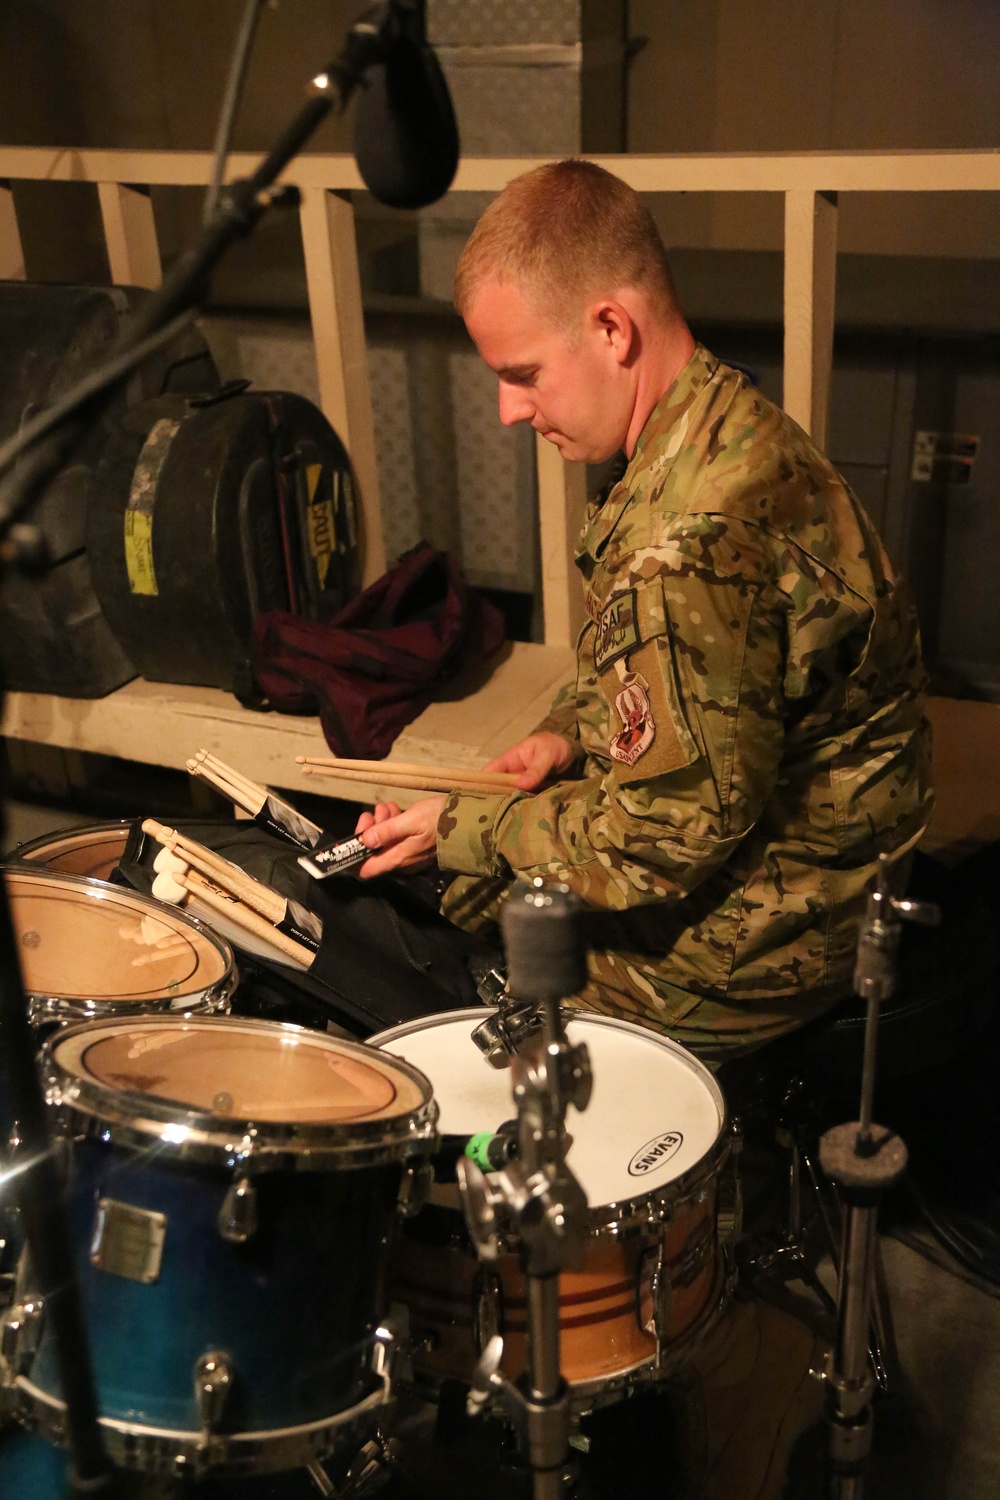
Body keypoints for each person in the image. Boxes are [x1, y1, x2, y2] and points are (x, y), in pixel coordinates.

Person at [353, 158, 934, 1067]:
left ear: (613, 328)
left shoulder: (689, 539)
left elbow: (661, 843)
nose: (509, 410)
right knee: (471, 881)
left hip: (798, 919)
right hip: (829, 853)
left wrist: (470, 830)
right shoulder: (718, 418)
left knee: (473, 967)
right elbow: (688, 690)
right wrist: (568, 734)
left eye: (525, 373)